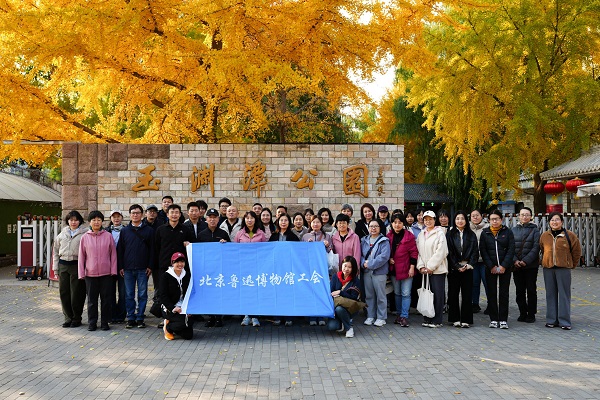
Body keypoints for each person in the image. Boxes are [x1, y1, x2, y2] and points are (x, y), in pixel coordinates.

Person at [539, 212, 582, 330]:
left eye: (557, 219)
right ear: (549, 222)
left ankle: (565, 321)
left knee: (564, 295)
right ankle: (551, 320)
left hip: (563, 269)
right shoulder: (544, 236)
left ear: (562, 221)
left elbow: (576, 251)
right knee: (550, 294)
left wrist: (571, 264)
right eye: (552, 220)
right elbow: (542, 249)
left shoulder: (570, 235)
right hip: (548, 268)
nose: (554, 222)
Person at [78, 211, 118, 331]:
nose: (96, 222)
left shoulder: (108, 236)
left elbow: (113, 255)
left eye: (99, 220)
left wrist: (113, 270)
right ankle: (92, 322)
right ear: (90, 222)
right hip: (90, 274)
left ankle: (105, 322)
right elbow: (81, 257)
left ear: (102, 222)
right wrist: (81, 273)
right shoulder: (85, 237)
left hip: (106, 274)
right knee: (92, 301)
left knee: (106, 300)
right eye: (94, 220)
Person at [118, 204, 155, 329]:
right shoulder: (124, 231)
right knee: (129, 294)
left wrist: (150, 266)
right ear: (129, 215)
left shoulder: (149, 231)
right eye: (133, 213)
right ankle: (130, 318)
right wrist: (121, 266)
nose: (135, 215)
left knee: (142, 294)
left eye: (138, 213)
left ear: (142, 214)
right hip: (128, 268)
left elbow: (152, 250)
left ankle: (140, 317)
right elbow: (120, 250)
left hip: (143, 268)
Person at [479, 209, 515, 329]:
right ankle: (493, 319)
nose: (494, 221)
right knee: (491, 293)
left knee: (504, 293)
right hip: (490, 268)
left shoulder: (508, 232)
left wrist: (504, 265)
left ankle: (503, 319)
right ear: (488, 220)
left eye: (497, 219)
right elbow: (483, 251)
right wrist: (491, 266)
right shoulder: (485, 233)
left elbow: (511, 249)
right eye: (492, 219)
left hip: (505, 267)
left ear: (501, 219)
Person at [53, 210, 86, 328]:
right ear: (68, 221)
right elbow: (55, 252)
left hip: (76, 265)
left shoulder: (84, 234)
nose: (73, 222)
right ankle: (68, 318)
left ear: (80, 221)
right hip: (63, 265)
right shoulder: (61, 235)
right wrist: (55, 269)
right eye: (71, 220)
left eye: (76, 220)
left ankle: (76, 318)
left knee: (77, 293)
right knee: (64, 293)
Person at [198, 208, 231, 328]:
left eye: (214, 217)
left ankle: (218, 317)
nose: (212, 220)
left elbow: (230, 250)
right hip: (207, 270)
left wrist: (225, 244)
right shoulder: (201, 235)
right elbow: (198, 252)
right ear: (206, 219)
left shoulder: (223, 233)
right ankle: (211, 317)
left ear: (218, 219)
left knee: (219, 293)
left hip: (220, 269)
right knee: (208, 294)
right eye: (210, 217)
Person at [416, 210, 448, 328]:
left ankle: (437, 320)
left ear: (435, 220)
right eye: (426, 219)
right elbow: (419, 252)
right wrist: (421, 266)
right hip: (425, 271)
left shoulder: (439, 233)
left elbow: (442, 252)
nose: (428, 221)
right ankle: (427, 318)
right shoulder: (421, 234)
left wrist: (430, 266)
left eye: (430, 219)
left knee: (437, 295)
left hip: (437, 270)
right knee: (427, 295)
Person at [446, 211, 478, 328]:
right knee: (453, 293)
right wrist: (456, 266)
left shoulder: (471, 234)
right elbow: (449, 252)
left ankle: (466, 319)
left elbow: (475, 251)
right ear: (454, 220)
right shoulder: (450, 234)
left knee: (467, 294)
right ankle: (454, 318)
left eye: (462, 218)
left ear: (466, 220)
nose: (460, 221)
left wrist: (469, 265)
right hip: (454, 268)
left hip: (467, 268)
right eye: (457, 218)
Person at [234, 211, 266, 327]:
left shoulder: (261, 234)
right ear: (244, 220)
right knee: (245, 291)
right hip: (244, 267)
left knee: (256, 291)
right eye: (247, 218)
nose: (249, 220)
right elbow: (234, 249)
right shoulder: (240, 234)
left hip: (257, 267)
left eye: (252, 218)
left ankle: (255, 316)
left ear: (255, 220)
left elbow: (266, 250)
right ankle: (246, 315)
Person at [386, 213, 418, 327]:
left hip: (406, 269)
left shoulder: (409, 236)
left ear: (403, 223)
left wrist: (412, 267)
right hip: (394, 269)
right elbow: (385, 251)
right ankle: (399, 315)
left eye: (399, 222)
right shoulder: (388, 236)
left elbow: (414, 252)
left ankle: (404, 316)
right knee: (397, 293)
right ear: (391, 224)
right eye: (395, 222)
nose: (397, 225)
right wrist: (389, 258)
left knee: (406, 293)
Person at [269, 214, 299, 326]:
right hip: (276, 269)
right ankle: (277, 316)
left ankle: (289, 317)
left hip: (289, 269)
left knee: (288, 293)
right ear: (278, 222)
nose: (283, 222)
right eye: (281, 220)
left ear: (289, 222)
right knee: (276, 293)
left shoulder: (293, 237)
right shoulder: (273, 236)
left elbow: (297, 252)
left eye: (286, 220)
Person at [512, 207, 541, 323]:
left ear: (531, 216)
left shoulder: (535, 230)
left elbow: (536, 247)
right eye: (522, 214)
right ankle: (522, 312)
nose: (524, 217)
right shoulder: (513, 230)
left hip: (530, 266)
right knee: (519, 291)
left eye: (527, 214)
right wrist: (515, 260)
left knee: (531, 290)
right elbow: (510, 247)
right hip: (517, 266)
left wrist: (525, 261)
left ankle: (531, 314)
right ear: (519, 216)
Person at [302, 216, 333, 326]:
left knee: (321, 291)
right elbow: (301, 252)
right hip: (309, 269)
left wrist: (327, 245)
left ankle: (321, 316)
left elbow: (330, 251)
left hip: (322, 269)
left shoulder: (327, 236)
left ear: (321, 224)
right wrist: (307, 245)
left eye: (318, 222)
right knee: (310, 292)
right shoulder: (305, 236)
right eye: (313, 222)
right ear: (310, 224)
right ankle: (312, 316)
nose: (315, 224)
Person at [360, 218, 390, 327]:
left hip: (379, 272)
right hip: (367, 272)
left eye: (376, 226)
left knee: (380, 295)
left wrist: (370, 264)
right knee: (369, 295)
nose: (373, 228)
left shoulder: (384, 241)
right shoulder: (364, 240)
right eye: (371, 226)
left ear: (380, 228)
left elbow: (384, 257)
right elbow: (360, 255)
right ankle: (370, 316)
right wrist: (363, 263)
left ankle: (381, 317)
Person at [160, 252, 194, 340]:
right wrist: (173, 308)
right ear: (172, 263)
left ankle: (174, 326)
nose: (180, 264)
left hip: (183, 306)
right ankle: (168, 328)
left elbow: (191, 293)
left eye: (182, 261)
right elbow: (162, 296)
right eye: (177, 262)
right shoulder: (165, 276)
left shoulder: (187, 275)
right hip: (170, 307)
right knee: (182, 322)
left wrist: (189, 308)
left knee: (188, 335)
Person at [328, 256, 362, 338]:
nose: (346, 269)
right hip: (336, 306)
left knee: (339, 309)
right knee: (332, 326)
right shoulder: (335, 277)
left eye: (349, 267)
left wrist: (340, 292)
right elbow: (330, 292)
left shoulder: (355, 281)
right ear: (341, 265)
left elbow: (354, 298)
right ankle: (343, 321)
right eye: (345, 266)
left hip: (350, 307)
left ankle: (349, 328)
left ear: (353, 269)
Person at [106, 210, 126, 324]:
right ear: (111, 219)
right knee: (110, 292)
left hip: (123, 265)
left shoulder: (127, 230)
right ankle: (112, 315)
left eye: (118, 216)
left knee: (123, 292)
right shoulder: (105, 231)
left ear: (122, 218)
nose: (116, 219)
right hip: (109, 266)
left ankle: (121, 315)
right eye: (114, 217)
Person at [469, 208, 489, 314]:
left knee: (487, 283)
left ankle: (491, 304)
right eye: (473, 216)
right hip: (473, 261)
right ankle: (474, 304)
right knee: (474, 283)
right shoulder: (468, 228)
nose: (475, 217)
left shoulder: (487, 227)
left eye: (477, 215)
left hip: (485, 261)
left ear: (482, 216)